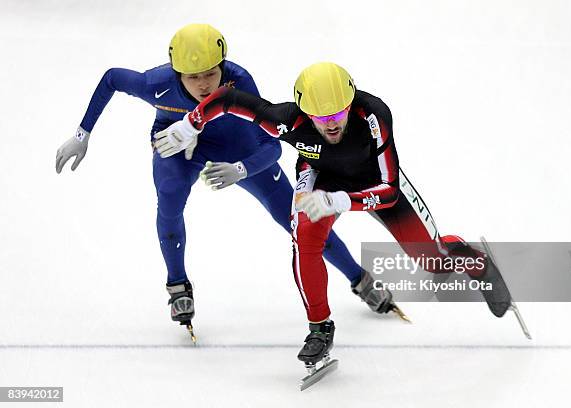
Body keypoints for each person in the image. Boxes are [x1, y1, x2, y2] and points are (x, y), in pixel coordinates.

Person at [55, 25, 401, 341]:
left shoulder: (239, 82)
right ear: (177, 73)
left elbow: (271, 146)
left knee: (301, 221)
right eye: (192, 77)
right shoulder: (155, 84)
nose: (204, 84)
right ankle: (178, 286)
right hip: (179, 147)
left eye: (211, 74)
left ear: (224, 66)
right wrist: (81, 134)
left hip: (240, 150)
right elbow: (112, 78)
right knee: (171, 196)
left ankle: (359, 278)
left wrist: (242, 168)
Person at [153, 62, 514, 364]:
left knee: (432, 261)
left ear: (351, 101)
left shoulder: (374, 115)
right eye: (321, 116)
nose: (332, 123)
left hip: (374, 185)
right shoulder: (285, 121)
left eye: (339, 112)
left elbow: (389, 191)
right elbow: (228, 99)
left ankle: (473, 260)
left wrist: (344, 200)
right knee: (304, 238)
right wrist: (190, 124)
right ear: (304, 111)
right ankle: (319, 327)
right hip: (321, 181)